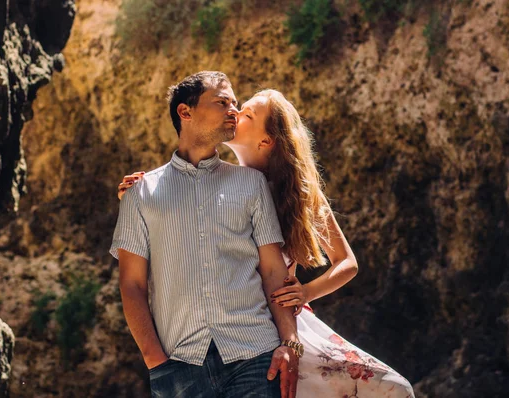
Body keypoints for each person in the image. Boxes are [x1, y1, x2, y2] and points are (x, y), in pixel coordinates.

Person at [118, 88, 416, 398]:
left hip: (282, 328)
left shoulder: (297, 194)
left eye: (247, 114)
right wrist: (136, 196)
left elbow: (347, 262)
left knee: (393, 390)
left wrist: (304, 292)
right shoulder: (213, 181)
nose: (234, 112)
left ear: (265, 141)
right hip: (226, 335)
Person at [110, 71, 301, 398]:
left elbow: (272, 270)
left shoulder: (251, 184)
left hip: (256, 356)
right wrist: (155, 361)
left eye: (235, 103)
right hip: (180, 365)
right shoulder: (141, 193)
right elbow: (132, 284)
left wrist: (289, 344)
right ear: (185, 112)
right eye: (222, 102)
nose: (233, 110)